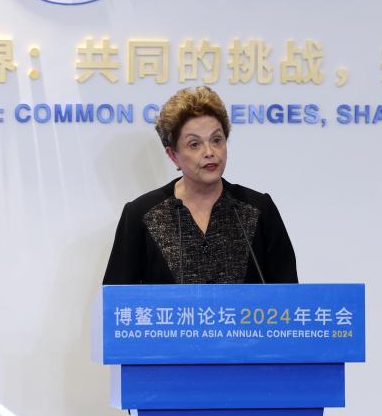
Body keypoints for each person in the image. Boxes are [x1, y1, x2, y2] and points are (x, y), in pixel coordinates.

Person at [102, 86, 298, 285]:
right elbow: (117, 298)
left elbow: (289, 293)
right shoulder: (141, 215)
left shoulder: (259, 209)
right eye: (194, 144)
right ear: (173, 155)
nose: (209, 152)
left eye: (216, 140)